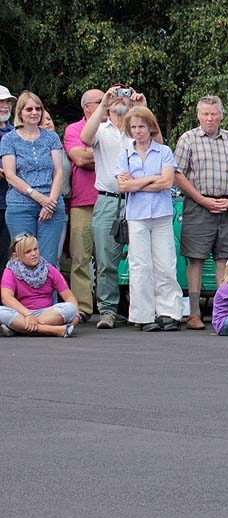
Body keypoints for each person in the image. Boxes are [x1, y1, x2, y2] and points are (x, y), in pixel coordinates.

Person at [80, 84, 160, 330]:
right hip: (108, 198)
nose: (120, 100)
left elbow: (160, 146)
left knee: (142, 258)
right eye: (115, 96)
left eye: (124, 95)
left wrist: (142, 109)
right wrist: (103, 104)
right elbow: (85, 138)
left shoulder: (136, 129)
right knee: (106, 259)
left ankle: (142, 310)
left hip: (137, 198)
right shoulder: (101, 129)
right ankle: (108, 310)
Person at [173, 95, 228, 330]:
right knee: (195, 258)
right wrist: (202, 200)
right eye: (205, 114)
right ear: (198, 116)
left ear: (221, 115)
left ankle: (224, 311)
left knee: (226, 259)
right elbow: (178, 175)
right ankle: (194, 313)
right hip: (197, 206)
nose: (210, 118)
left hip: (227, 206)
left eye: (214, 114)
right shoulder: (188, 139)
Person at [114, 105, 180, 332]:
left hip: (161, 213)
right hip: (136, 215)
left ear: (150, 127)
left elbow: (167, 182)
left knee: (165, 263)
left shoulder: (164, 152)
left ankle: (169, 312)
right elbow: (123, 186)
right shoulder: (124, 154)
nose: (138, 131)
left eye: (141, 126)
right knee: (140, 265)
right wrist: (151, 179)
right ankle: (143, 315)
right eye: (133, 127)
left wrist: (138, 181)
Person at [0, 91, 66, 268]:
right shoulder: (9, 139)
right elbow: (10, 176)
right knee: (24, 261)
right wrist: (39, 198)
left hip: (51, 206)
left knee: (48, 262)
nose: (34, 112)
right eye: (29, 109)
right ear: (20, 112)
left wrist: (50, 202)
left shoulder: (51, 137)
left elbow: (59, 171)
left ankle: (48, 297)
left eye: (38, 108)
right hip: (20, 206)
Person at [62, 89, 105, 321]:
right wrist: (108, 158)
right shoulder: (74, 129)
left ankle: (108, 307)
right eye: (100, 102)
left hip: (110, 201)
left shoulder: (116, 126)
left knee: (108, 259)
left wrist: (94, 157)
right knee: (80, 259)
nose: (106, 105)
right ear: (87, 107)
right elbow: (79, 158)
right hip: (83, 202)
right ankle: (82, 309)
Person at [0, 233, 78, 337]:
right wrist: (28, 314)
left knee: (70, 308)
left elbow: (68, 296)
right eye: (28, 251)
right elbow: (6, 298)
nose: (34, 254)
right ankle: (53, 330)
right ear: (16, 256)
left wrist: (76, 316)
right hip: (22, 313)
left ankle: (18, 329)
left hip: (47, 314)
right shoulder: (10, 271)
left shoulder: (49, 269)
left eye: (35, 249)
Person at [0, 85, 17, 259]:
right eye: (1, 101)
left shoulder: (15, 133)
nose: (5, 106)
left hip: (10, 202)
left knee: (6, 254)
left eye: (8, 102)